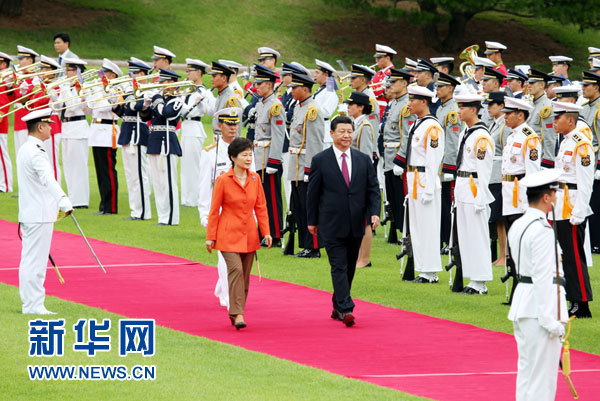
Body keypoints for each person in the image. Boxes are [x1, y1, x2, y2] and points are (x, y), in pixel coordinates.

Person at [307, 116, 380, 327]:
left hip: (356, 222)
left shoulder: (363, 159)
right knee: (338, 265)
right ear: (332, 134)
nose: (346, 135)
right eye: (342, 131)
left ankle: (337, 304)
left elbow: (373, 189)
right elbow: (313, 194)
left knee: (349, 267)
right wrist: (312, 220)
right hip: (331, 223)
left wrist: (374, 212)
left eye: (349, 131)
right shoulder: (320, 160)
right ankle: (347, 308)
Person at [507, 168, 568, 401]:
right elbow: (542, 277)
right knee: (541, 380)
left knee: (527, 374)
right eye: (554, 193)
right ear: (546, 198)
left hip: (524, 302)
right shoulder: (542, 230)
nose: (556, 197)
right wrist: (549, 320)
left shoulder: (519, 224)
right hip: (538, 308)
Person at [206, 137, 272, 330]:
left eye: (250, 155)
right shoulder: (223, 180)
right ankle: (238, 313)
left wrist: (266, 232)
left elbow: (261, 207)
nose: (248, 158)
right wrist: (210, 237)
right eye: (244, 155)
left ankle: (236, 311)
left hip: (249, 235)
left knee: (245, 277)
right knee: (236, 270)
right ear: (233, 158)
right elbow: (214, 210)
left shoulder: (255, 179)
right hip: (227, 236)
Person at [17, 108, 73, 314]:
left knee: (30, 260)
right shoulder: (36, 152)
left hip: (31, 212)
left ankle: (31, 303)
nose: (51, 127)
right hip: (38, 214)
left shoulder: (27, 148)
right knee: (36, 263)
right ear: (40, 127)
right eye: (48, 124)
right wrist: (64, 201)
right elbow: (48, 180)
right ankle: (33, 305)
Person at [394, 85, 445, 283]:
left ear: (424, 102)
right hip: (414, 179)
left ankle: (430, 272)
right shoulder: (418, 124)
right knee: (416, 227)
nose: (409, 104)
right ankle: (422, 268)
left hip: (424, 180)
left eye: (412, 100)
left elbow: (433, 160)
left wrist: (430, 189)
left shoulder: (432, 127)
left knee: (428, 227)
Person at [199, 107, 246, 309]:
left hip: (241, 212)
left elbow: (252, 184)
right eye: (229, 124)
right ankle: (230, 297)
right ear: (220, 126)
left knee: (240, 256)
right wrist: (204, 214)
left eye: (236, 124)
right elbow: (204, 187)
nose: (233, 128)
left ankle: (222, 287)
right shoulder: (210, 153)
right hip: (220, 212)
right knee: (225, 256)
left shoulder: (246, 151)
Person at [552, 101, 594, 318]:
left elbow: (586, 183)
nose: (554, 121)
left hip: (573, 206)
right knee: (566, 256)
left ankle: (582, 303)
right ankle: (573, 299)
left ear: (570, 120)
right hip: (561, 204)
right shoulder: (565, 141)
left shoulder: (581, 144)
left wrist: (579, 211)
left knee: (575, 257)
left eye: (557, 118)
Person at [454, 94, 494, 294]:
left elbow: (484, 170)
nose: (459, 111)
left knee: (477, 236)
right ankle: (472, 278)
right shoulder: (466, 132)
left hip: (474, 188)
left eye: (463, 108)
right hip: (463, 186)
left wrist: (481, 197)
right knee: (466, 236)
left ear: (473, 109)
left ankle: (480, 281)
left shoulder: (481, 136)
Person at [287, 71, 324, 258]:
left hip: (305, 166)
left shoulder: (312, 110)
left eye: (295, 87)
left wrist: (311, 169)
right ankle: (305, 245)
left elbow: (315, 143)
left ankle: (313, 246)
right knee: (299, 207)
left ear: (304, 89)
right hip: (295, 165)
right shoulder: (298, 107)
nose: (291, 90)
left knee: (309, 207)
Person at [115, 57, 154, 220]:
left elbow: (138, 106)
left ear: (142, 74)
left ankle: (143, 212)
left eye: (134, 73)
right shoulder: (130, 91)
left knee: (140, 175)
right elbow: (121, 111)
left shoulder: (148, 90)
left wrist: (127, 99)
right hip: (127, 133)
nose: (131, 77)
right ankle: (135, 210)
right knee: (131, 176)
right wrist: (114, 101)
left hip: (138, 133)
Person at [252, 64, 286, 248]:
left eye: (260, 83)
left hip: (269, 158)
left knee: (272, 198)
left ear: (270, 84)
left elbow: (278, 136)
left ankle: (275, 234)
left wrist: (273, 161)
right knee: (261, 198)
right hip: (259, 156)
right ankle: (264, 231)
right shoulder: (262, 104)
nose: (256, 86)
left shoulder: (275, 106)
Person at [147, 69, 183, 226]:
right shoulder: (159, 100)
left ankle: (171, 218)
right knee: (158, 183)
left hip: (167, 141)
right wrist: (146, 105)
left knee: (168, 182)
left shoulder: (176, 100)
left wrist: (157, 100)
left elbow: (167, 113)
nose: (160, 84)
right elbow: (146, 117)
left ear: (171, 83)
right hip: (155, 140)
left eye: (163, 82)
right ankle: (162, 216)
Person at [53, 57, 90, 209]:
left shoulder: (84, 87)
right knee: (68, 165)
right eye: (67, 70)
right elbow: (57, 107)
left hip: (78, 127)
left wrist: (66, 89)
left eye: (70, 70)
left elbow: (74, 106)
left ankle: (81, 200)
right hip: (66, 127)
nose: (67, 73)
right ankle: (72, 197)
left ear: (78, 71)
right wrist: (52, 93)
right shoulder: (67, 87)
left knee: (78, 166)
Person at [87, 58, 122, 215]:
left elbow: (105, 107)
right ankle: (103, 204)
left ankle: (111, 206)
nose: (101, 76)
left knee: (108, 171)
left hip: (108, 131)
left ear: (113, 75)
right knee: (100, 171)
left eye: (105, 73)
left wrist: (99, 94)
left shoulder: (116, 89)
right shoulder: (99, 89)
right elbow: (89, 107)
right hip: (96, 130)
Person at [345, 91, 376, 268]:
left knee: (363, 220)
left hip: (359, 177)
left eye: (352, 104)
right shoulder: (354, 124)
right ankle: (356, 255)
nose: (348, 107)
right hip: (350, 175)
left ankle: (364, 258)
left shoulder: (364, 126)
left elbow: (365, 156)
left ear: (361, 107)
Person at [180, 58, 216, 207]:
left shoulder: (203, 92)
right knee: (185, 165)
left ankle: (194, 199)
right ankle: (186, 198)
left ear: (199, 72)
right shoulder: (188, 89)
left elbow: (211, 110)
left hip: (194, 128)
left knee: (193, 166)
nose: (187, 73)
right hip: (186, 127)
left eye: (190, 71)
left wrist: (202, 103)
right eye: (187, 71)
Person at [384, 68, 414, 244]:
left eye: (394, 82)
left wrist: (401, 160)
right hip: (389, 155)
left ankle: (406, 233)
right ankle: (399, 231)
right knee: (393, 198)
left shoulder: (406, 106)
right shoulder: (395, 103)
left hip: (397, 157)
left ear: (404, 83)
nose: (391, 85)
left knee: (401, 197)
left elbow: (407, 136)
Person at [435, 72, 462, 254]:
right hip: (439, 163)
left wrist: (449, 167)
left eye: (441, 86)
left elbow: (452, 141)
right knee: (440, 204)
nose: (437, 89)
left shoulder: (452, 111)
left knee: (446, 205)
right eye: (437, 86)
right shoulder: (442, 108)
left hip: (445, 165)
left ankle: (448, 240)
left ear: (450, 88)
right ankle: (442, 238)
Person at [486, 91, 512, 266]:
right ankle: (502, 254)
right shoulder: (494, 124)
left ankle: (505, 255)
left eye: (492, 104)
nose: (488, 108)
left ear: (501, 106)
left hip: (500, 176)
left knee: (501, 218)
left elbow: (506, 152)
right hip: (493, 175)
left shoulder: (504, 126)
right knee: (497, 219)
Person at [580, 70, 600, 254]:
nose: (583, 88)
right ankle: (591, 240)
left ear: (596, 87)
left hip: (596, 162)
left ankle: (597, 242)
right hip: (586, 161)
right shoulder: (585, 108)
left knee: (596, 204)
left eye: (587, 85)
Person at [12, 46, 39, 157]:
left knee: (28, 155)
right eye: (18, 59)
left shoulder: (36, 78)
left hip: (28, 121)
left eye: (21, 59)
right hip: (18, 121)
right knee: (19, 155)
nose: (19, 62)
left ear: (30, 60)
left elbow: (33, 100)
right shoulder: (18, 77)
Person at [526, 69, 556, 169]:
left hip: (539, 156)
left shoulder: (547, 107)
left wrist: (548, 161)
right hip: (527, 153)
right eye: (528, 83)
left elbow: (549, 137)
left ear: (542, 85)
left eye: (532, 83)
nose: (529, 86)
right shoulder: (529, 104)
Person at [209, 61, 242, 137]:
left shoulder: (231, 99)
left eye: (214, 76)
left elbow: (236, 128)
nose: (212, 79)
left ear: (224, 78)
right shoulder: (220, 95)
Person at [313, 59, 338, 149]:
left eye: (317, 73)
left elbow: (326, 113)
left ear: (326, 75)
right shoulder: (320, 89)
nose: (314, 75)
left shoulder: (330, 92)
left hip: (322, 132)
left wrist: (311, 109)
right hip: (315, 129)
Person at [0, 51, 15, 192]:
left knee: (2, 155)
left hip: (1, 122)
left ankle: (5, 185)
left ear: (4, 64)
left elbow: (4, 102)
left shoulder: (4, 79)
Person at [372, 44, 396, 117]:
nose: (376, 60)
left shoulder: (392, 73)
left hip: (384, 110)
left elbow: (379, 91)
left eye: (379, 58)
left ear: (387, 58)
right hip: (375, 108)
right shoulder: (379, 73)